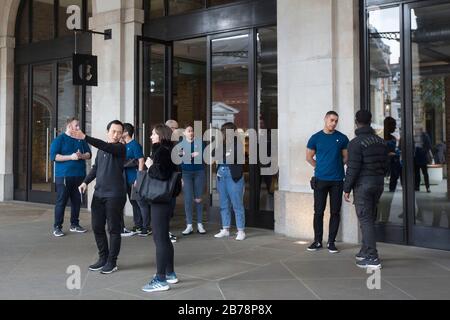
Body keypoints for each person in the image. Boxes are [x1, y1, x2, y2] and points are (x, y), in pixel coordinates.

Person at [72, 120, 127, 275]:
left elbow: (106, 146)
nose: (116, 135)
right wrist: (85, 182)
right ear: (107, 131)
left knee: (114, 229)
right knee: (97, 227)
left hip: (115, 195)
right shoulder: (102, 150)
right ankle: (103, 258)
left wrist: (85, 137)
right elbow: (96, 168)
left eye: (119, 132)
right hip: (99, 194)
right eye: (113, 131)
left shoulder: (120, 148)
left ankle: (112, 261)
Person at [344, 110, 388, 270]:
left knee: (365, 219)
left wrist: (346, 188)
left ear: (356, 122)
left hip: (363, 185)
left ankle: (372, 257)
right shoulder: (381, 142)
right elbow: (386, 166)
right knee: (369, 218)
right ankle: (364, 250)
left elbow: (353, 168)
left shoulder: (355, 143)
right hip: (378, 183)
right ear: (370, 121)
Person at [142, 124, 180, 293]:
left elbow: (162, 174)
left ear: (160, 135)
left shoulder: (162, 151)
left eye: (153, 134)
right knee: (163, 237)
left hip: (160, 200)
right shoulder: (170, 150)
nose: (151, 136)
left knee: (159, 238)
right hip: (166, 198)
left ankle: (160, 278)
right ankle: (170, 273)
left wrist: (150, 166)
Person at [306, 111, 349, 253]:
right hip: (320, 180)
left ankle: (331, 242)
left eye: (336, 121)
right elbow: (309, 157)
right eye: (331, 120)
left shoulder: (342, 138)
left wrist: (335, 166)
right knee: (318, 212)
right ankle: (317, 241)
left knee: (335, 212)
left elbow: (346, 158)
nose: (334, 123)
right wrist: (320, 167)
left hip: (337, 181)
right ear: (325, 119)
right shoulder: (315, 138)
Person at [50, 118, 91, 237]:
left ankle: (75, 224)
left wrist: (81, 156)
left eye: (78, 125)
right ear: (69, 126)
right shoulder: (59, 139)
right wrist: (70, 157)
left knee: (77, 201)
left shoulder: (81, 139)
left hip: (79, 176)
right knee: (61, 202)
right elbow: (54, 157)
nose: (78, 128)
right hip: (63, 176)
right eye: (76, 126)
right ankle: (57, 227)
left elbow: (89, 154)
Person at [214, 122, 247, 241]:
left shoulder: (237, 143)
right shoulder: (221, 144)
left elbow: (234, 157)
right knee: (223, 203)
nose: (225, 133)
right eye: (224, 131)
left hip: (234, 175)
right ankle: (225, 229)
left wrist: (224, 155)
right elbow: (214, 154)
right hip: (221, 174)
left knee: (237, 203)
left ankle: (241, 231)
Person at [121, 123, 150, 237]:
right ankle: (138, 224)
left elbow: (141, 160)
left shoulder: (134, 145)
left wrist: (139, 177)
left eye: (121, 131)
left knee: (141, 202)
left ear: (126, 133)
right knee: (133, 202)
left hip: (135, 178)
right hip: (126, 179)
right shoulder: (124, 145)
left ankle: (146, 227)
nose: (119, 133)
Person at [178, 124, 207, 235]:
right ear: (184, 133)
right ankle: (189, 225)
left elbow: (203, 156)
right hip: (186, 173)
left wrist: (192, 155)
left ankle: (200, 224)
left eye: (192, 131)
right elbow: (179, 159)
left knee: (198, 198)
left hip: (199, 172)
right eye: (188, 131)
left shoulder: (200, 142)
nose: (191, 133)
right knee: (188, 198)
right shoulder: (181, 144)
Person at [165, 119, 181, 243]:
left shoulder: (175, 143)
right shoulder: (165, 144)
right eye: (175, 128)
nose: (177, 130)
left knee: (171, 207)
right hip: (167, 180)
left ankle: (166, 232)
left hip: (174, 179)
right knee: (167, 208)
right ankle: (165, 233)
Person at [384, 117, 402, 192]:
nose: (395, 127)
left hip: (393, 161)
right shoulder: (384, 137)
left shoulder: (392, 137)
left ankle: (392, 187)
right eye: (394, 125)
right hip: (388, 162)